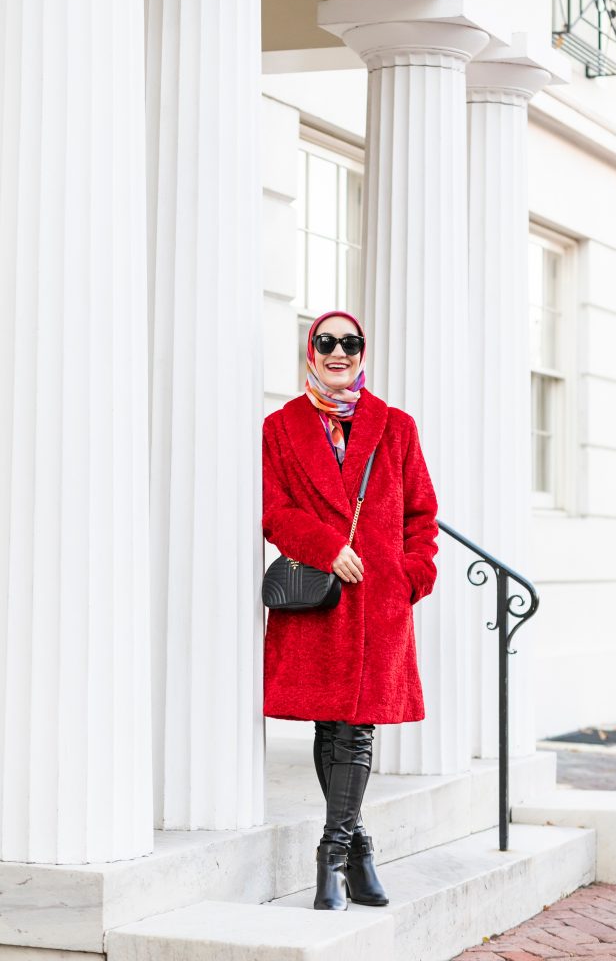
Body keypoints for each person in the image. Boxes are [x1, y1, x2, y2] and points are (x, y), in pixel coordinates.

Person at [262, 309, 439, 911]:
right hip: (320, 599)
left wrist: (412, 575)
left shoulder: (396, 427)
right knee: (327, 725)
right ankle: (359, 849)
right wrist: (327, 547)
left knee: (357, 728)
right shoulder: (280, 428)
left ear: (363, 352)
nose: (338, 352)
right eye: (326, 342)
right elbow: (274, 510)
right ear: (310, 351)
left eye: (351, 343)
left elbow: (421, 514)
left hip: (379, 601)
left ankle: (332, 857)